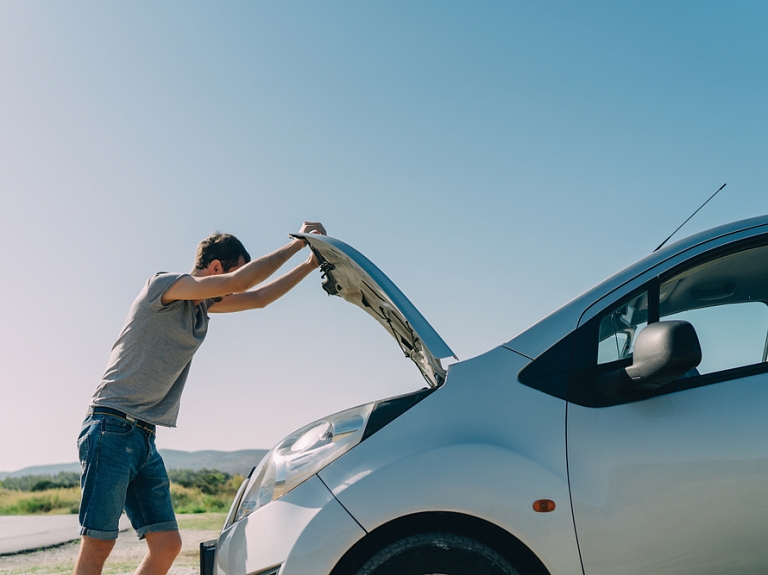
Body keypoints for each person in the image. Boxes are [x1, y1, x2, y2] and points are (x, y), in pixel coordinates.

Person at [73, 222, 326, 575]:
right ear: (216, 268)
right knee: (99, 542)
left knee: (167, 545)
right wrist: (299, 244)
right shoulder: (164, 286)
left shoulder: (201, 308)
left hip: (144, 436)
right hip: (110, 426)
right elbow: (243, 285)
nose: (235, 284)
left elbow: (258, 298)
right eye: (236, 271)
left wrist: (311, 264)